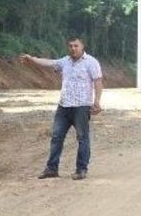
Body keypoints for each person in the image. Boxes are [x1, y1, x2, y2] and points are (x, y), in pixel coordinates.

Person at [20, 37, 103, 180]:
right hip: (64, 106)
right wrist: (32, 59)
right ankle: (52, 168)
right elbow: (49, 63)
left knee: (82, 138)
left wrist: (97, 101)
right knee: (56, 137)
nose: (73, 48)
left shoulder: (91, 62)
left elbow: (98, 81)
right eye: (70, 46)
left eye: (76, 46)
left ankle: (81, 170)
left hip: (81, 106)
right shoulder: (65, 61)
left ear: (83, 46)